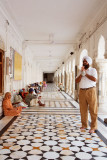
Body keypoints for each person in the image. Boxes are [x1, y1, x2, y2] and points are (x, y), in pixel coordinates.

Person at [75, 56, 98, 133]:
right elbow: (76, 81)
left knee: (93, 109)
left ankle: (93, 127)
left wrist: (86, 74)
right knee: (83, 109)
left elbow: (94, 79)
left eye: (86, 61)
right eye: (83, 61)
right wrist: (82, 73)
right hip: (82, 91)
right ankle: (84, 125)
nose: (84, 62)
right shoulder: (80, 71)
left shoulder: (93, 70)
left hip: (91, 90)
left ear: (89, 62)